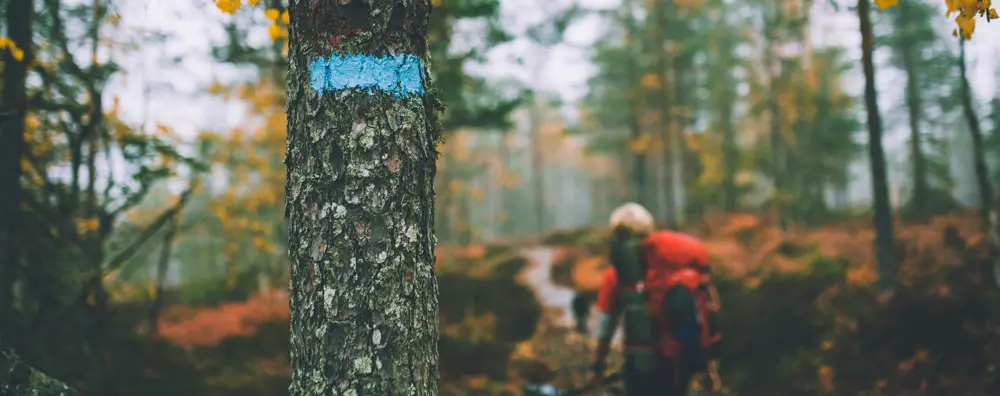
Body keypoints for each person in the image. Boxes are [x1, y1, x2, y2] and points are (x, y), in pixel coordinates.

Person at [589, 203, 722, 396]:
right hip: (681, 359)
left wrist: (598, 366)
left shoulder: (617, 275)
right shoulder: (683, 267)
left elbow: (605, 326)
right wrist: (709, 367)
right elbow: (707, 311)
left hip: (642, 363)